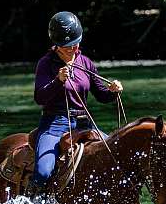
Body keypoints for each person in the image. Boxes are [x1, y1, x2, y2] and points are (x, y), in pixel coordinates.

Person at [30, 11, 123, 194]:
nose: (73, 48)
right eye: (67, 46)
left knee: (117, 158)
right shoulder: (45, 64)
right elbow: (39, 98)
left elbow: (101, 96)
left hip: (84, 124)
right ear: (56, 44)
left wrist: (113, 91)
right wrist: (58, 81)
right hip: (54, 125)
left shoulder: (86, 63)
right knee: (43, 172)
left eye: (75, 43)